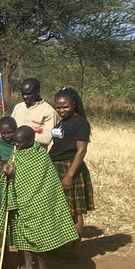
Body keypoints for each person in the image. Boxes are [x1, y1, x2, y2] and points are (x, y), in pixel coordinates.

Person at [0, 126, 79, 269]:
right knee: (23, 236)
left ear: (31, 141)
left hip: (39, 203)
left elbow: (48, 181)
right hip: (21, 203)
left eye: (20, 142)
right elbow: (7, 178)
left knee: (39, 236)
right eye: (15, 142)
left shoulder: (41, 155)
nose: (17, 145)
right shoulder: (16, 155)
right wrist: (7, 174)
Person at [50, 86, 94, 236]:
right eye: (58, 107)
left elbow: (81, 151)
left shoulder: (80, 123)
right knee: (60, 208)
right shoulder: (62, 122)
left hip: (70, 166)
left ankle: (74, 249)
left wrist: (69, 176)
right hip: (56, 166)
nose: (62, 110)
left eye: (65, 106)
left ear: (73, 104)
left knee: (74, 210)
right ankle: (62, 245)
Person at [11, 77, 55, 147]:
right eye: (23, 94)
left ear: (38, 92)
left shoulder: (48, 111)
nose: (25, 97)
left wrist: (25, 137)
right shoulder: (18, 107)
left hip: (36, 153)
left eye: (28, 94)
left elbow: (47, 138)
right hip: (16, 150)